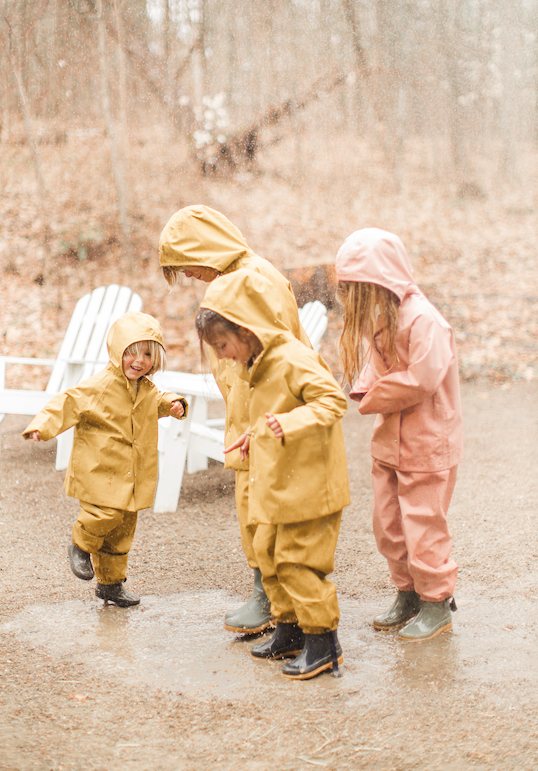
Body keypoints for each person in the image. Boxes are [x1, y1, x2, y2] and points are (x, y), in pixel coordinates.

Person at [160, 204, 316, 635]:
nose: (188, 275)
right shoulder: (239, 278)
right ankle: (270, 597)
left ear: (204, 248)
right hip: (247, 414)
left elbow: (271, 355)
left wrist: (266, 419)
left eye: (186, 264)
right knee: (252, 508)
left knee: (268, 511)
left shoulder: (252, 280)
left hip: (266, 415)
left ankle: (278, 604)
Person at [196, 269, 350, 680]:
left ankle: (324, 643)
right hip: (282, 482)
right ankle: (290, 629)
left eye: (224, 344)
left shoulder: (291, 356)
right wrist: (254, 434)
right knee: (268, 552)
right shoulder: (258, 361)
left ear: (247, 330)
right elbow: (272, 413)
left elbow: (332, 401)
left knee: (298, 562)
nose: (224, 355)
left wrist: (290, 425)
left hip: (310, 486)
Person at [336, 228, 463, 642]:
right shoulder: (383, 317)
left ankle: (436, 602)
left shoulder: (426, 321)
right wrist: (364, 384)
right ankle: (407, 593)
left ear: (382, 280)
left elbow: (421, 379)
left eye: (360, 289)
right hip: (389, 441)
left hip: (427, 444)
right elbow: (378, 363)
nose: (356, 301)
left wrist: (374, 395)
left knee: (423, 525)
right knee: (388, 524)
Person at [23, 312, 187, 607]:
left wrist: (173, 403)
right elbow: (67, 403)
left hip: (131, 474)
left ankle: (110, 584)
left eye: (148, 354)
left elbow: (157, 400)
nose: (139, 361)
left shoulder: (146, 388)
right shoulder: (99, 386)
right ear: (117, 352)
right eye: (131, 353)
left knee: (122, 530)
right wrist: (41, 426)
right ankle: (79, 542)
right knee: (105, 514)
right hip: (101, 469)